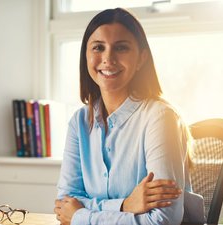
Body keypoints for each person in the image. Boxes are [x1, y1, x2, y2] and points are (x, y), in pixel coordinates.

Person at [54, 8, 205, 225]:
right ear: (86, 56)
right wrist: (125, 205)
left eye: (121, 48)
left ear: (141, 58)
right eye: (98, 47)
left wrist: (81, 216)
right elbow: (64, 205)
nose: (108, 58)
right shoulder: (79, 123)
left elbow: (163, 221)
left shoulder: (160, 117)